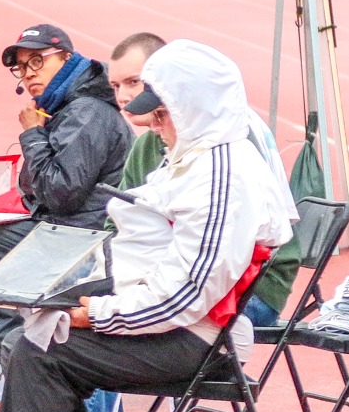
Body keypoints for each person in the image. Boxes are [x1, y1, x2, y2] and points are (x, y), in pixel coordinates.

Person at [0, 41, 297, 412]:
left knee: (38, 351)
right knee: (24, 338)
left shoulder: (223, 174)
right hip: (169, 321)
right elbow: (145, 239)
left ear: (191, 109)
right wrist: (58, 287)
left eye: (161, 114)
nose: (154, 124)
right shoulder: (194, 157)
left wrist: (90, 314)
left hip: (195, 339)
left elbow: (182, 298)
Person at [0, 24, 131, 412]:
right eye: (22, 67)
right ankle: (19, 345)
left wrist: (31, 134)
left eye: (37, 61)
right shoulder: (68, 106)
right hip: (66, 229)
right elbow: (42, 188)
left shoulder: (87, 112)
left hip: (88, 240)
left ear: (65, 58)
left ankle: (22, 347)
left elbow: (60, 191)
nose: (28, 73)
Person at [109, 32, 300, 327]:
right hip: (183, 275)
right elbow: (124, 223)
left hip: (248, 287)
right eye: (116, 86)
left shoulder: (227, 145)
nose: (123, 97)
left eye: (135, 82)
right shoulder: (150, 145)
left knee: (107, 327)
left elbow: (211, 269)